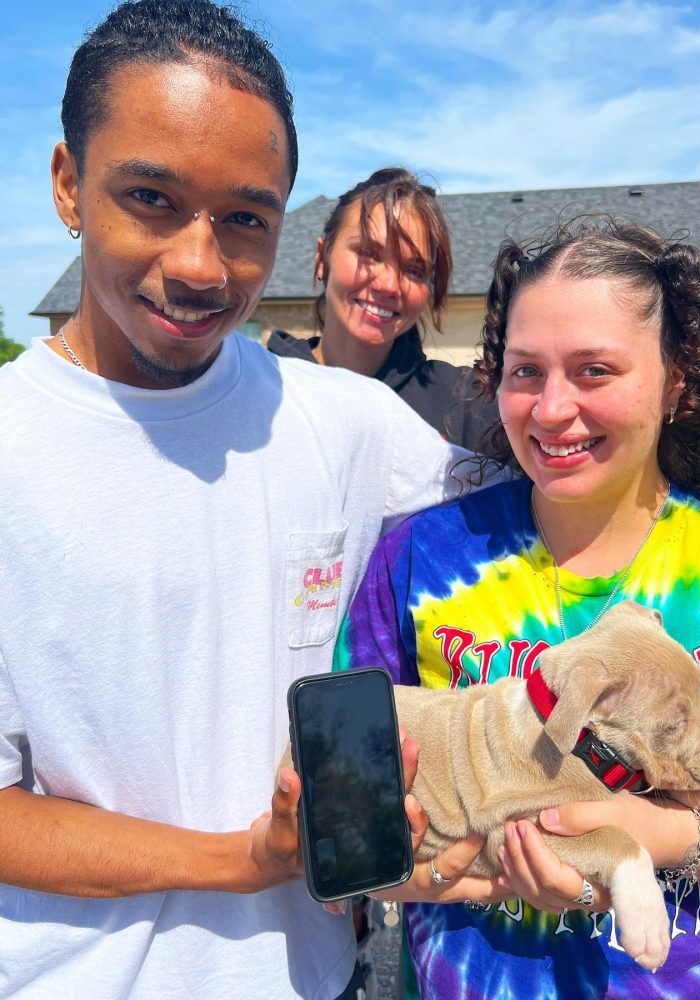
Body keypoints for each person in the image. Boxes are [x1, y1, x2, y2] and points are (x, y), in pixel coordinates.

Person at [0, 3, 483, 997]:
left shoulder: (346, 424)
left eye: (243, 219)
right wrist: (244, 860)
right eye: (150, 197)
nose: (198, 264)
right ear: (66, 185)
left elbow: (567, 510)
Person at [333, 217, 700, 999]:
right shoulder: (422, 559)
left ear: (677, 379)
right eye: (525, 372)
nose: (552, 410)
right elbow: (347, 807)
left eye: (594, 370)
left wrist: (664, 838)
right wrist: (438, 863)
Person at [268, 167, 498, 451]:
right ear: (321, 259)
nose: (390, 285)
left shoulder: (468, 407)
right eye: (368, 253)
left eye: (415, 269)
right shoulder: (259, 388)